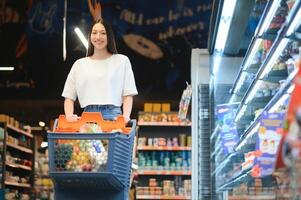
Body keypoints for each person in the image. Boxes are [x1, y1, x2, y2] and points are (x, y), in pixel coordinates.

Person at [62, 19, 138, 122]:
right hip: (88, 116)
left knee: (115, 138)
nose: (98, 37)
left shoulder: (122, 61)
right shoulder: (79, 64)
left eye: (103, 33)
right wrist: (69, 115)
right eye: (94, 33)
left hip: (114, 116)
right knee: (90, 138)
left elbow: (128, 94)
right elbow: (69, 96)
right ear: (90, 36)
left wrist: (126, 116)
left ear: (110, 36)